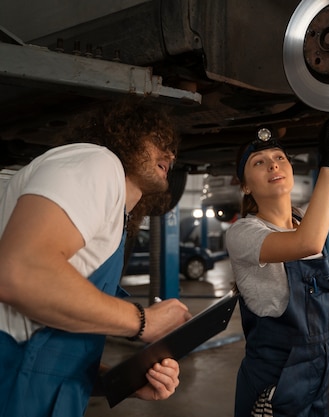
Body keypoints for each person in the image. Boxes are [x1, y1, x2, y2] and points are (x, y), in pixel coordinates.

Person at [0, 99, 193, 416]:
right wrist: (143, 322)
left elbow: (55, 344)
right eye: (159, 141)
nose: (170, 154)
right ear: (124, 136)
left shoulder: (117, 215)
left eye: (173, 148)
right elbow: (18, 273)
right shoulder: (97, 162)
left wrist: (121, 381)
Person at [225, 117, 329, 417]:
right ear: (245, 186)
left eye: (280, 158)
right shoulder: (243, 233)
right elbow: (308, 243)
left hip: (314, 374)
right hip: (274, 382)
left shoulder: (303, 220)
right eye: (259, 162)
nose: (273, 165)